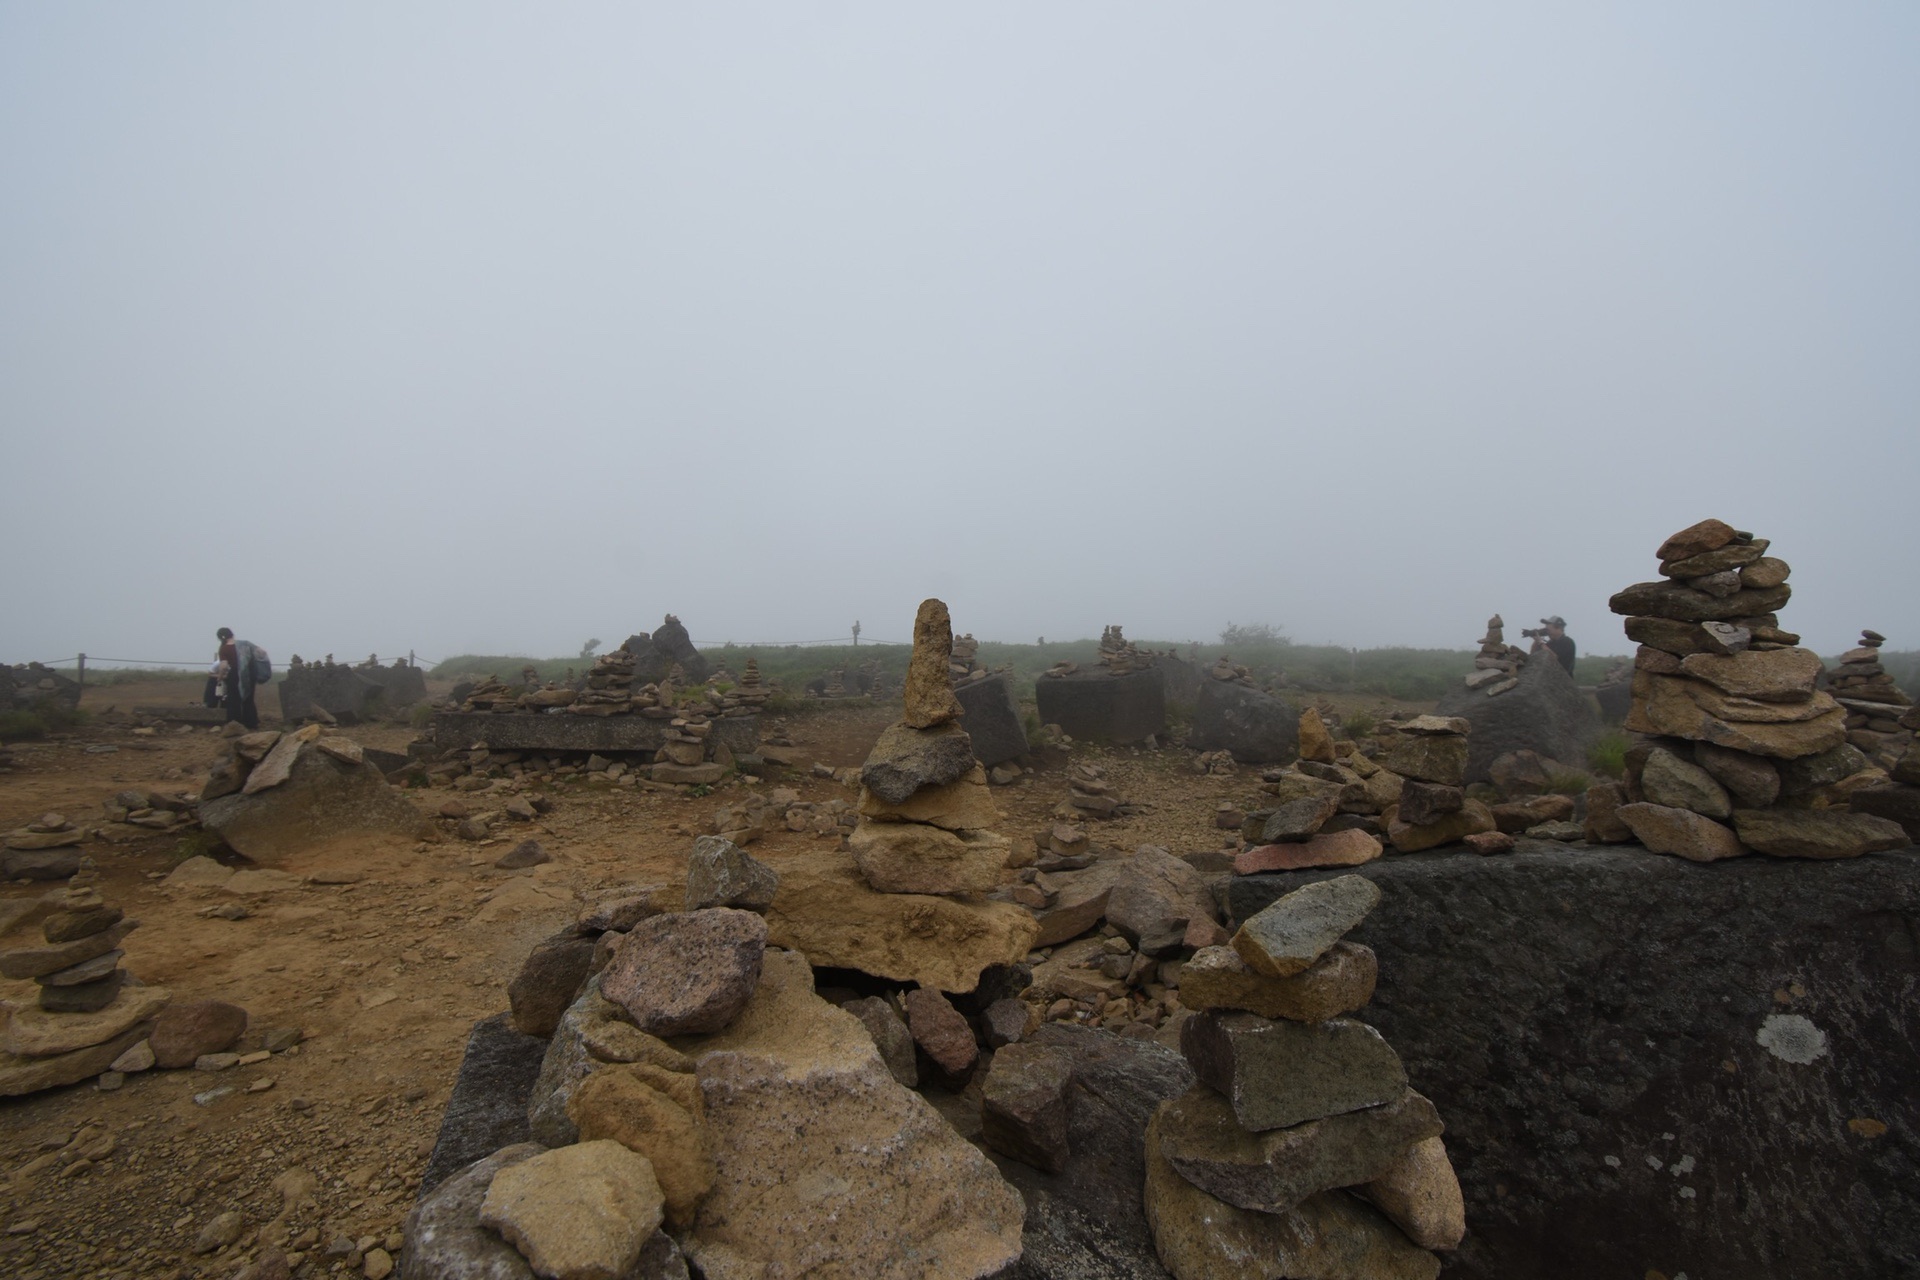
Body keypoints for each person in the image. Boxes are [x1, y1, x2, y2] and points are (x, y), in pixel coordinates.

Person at [215, 627, 259, 729]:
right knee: (248, 699)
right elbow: (261, 653)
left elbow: (224, 666)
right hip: (249, 674)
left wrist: (220, 677)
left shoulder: (224, 648)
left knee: (234, 699)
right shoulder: (245, 645)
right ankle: (251, 723)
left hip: (235, 675)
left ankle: (235, 723)